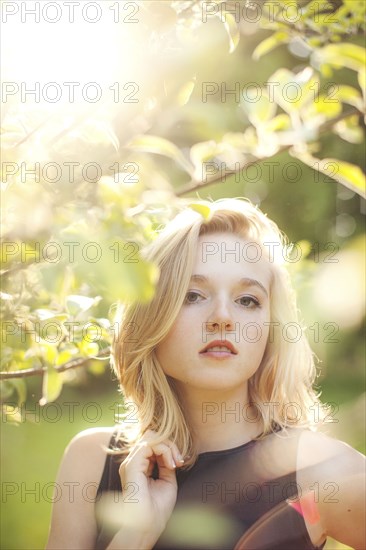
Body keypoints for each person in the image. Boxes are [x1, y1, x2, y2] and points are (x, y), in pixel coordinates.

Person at [46, 198, 365, 550]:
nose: (222, 317)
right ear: (153, 317)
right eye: (194, 294)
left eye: (247, 300)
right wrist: (137, 533)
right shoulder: (92, 460)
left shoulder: (318, 468)